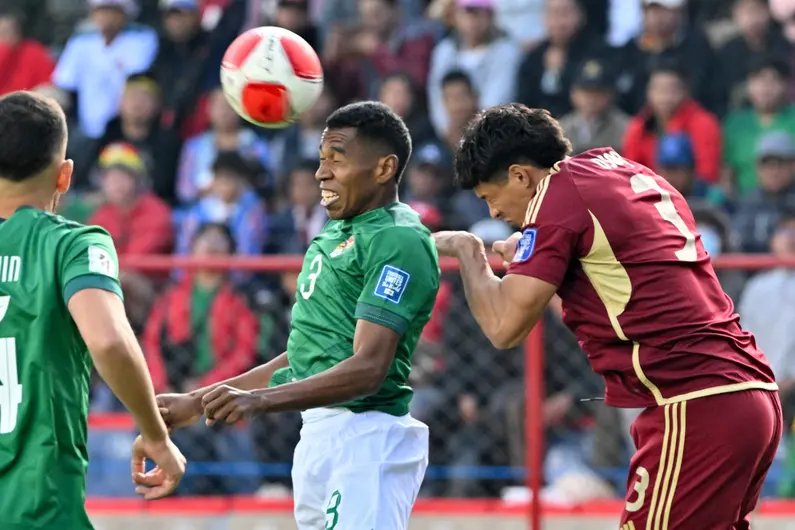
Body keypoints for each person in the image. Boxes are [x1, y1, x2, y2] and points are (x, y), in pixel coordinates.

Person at [433, 103, 781, 529]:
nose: (493, 213)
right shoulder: (616, 168)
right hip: (748, 394)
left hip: (693, 405)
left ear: (522, 176)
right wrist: (532, 253)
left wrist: (470, 254)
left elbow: (504, 328)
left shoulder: (556, 200)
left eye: (491, 197)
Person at [157, 101, 440, 529]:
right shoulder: (334, 232)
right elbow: (302, 357)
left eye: (337, 160)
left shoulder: (396, 238)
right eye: (322, 159)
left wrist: (258, 402)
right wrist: (198, 402)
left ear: (384, 169)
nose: (321, 172)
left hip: (367, 436)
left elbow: (368, 368)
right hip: (318, 435)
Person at [0, 91, 185, 529]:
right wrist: (156, 436)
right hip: (36, 503)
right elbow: (108, 340)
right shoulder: (72, 243)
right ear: (64, 176)